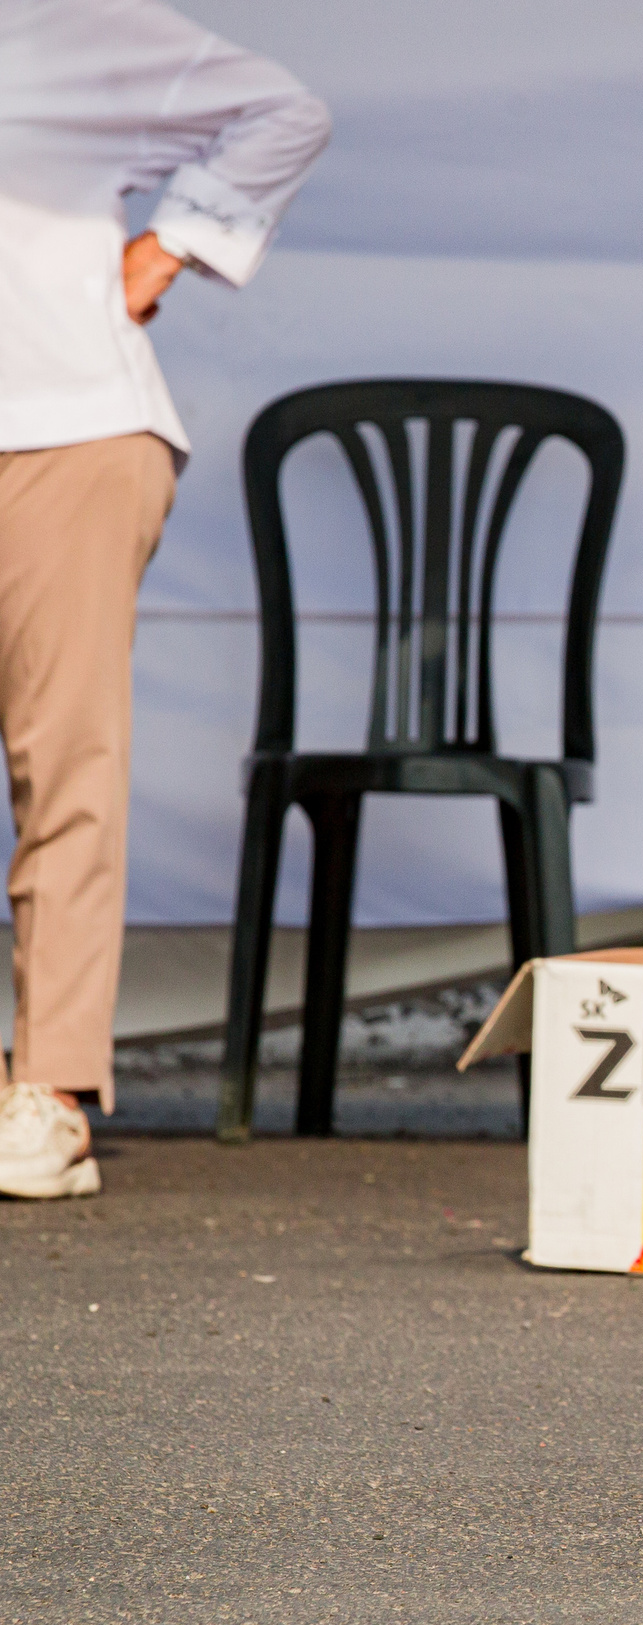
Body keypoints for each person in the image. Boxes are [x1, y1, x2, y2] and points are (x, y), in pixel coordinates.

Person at [0, 0, 329, 1198]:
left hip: (66, 432)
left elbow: (285, 110)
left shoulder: (64, 31)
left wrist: (169, 248)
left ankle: (52, 1089)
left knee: (64, 759)